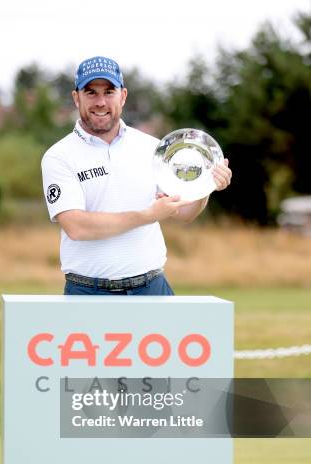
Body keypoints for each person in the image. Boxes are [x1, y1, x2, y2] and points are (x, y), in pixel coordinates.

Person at [41, 56, 232, 295]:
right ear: (76, 97)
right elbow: (77, 227)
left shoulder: (152, 148)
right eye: (91, 93)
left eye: (109, 92)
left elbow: (184, 213)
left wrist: (205, 187)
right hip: (88, 291)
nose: (101, 101)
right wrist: (148, 215)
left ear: (123, 96)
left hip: (151, 288)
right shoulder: (59, 155)